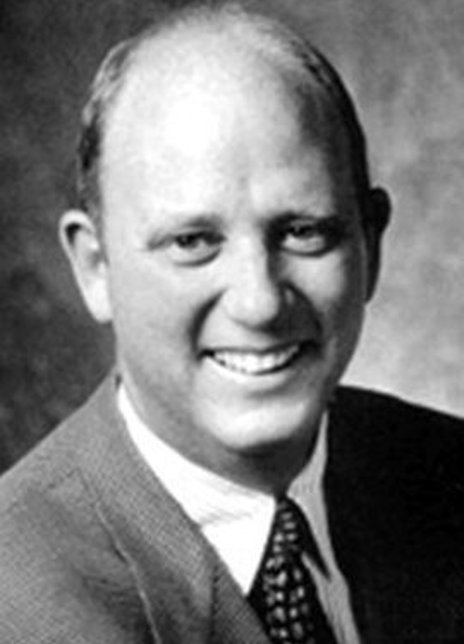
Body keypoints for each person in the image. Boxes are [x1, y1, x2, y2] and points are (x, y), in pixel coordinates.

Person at [1, 2, 464, 642]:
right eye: (193, 242)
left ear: (371, 244)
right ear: (95, 268)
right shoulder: (16, 594)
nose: (259, 302)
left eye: (304, 232)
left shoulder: (446, 474)